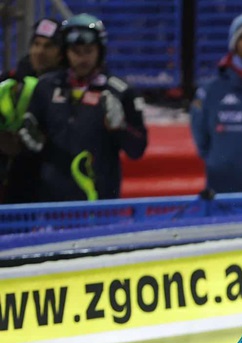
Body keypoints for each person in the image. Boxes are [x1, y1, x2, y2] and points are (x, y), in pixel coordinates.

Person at [18, 13, 147, 201]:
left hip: (100, 201)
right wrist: (30, 139)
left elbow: (137, 150)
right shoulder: (45, 87)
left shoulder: (120, 91)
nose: (82, 58)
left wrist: (121, 128)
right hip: (51, 201)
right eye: (76, 51)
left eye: (88, 50)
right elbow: (30, 145)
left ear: (100, 51)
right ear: (66, 51)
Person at [190, 14, 242, 194]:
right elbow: (200, 137)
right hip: (224, 187)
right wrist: (220, 162)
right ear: (234, 44)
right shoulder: (211, 91)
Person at [0, 17, 63, 203]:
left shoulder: (66, 87)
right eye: (36, 44)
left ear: (61, 53)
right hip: (13, 179)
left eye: (49, 46)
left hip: (52, 179)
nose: (40, 51)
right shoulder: (13, 79)